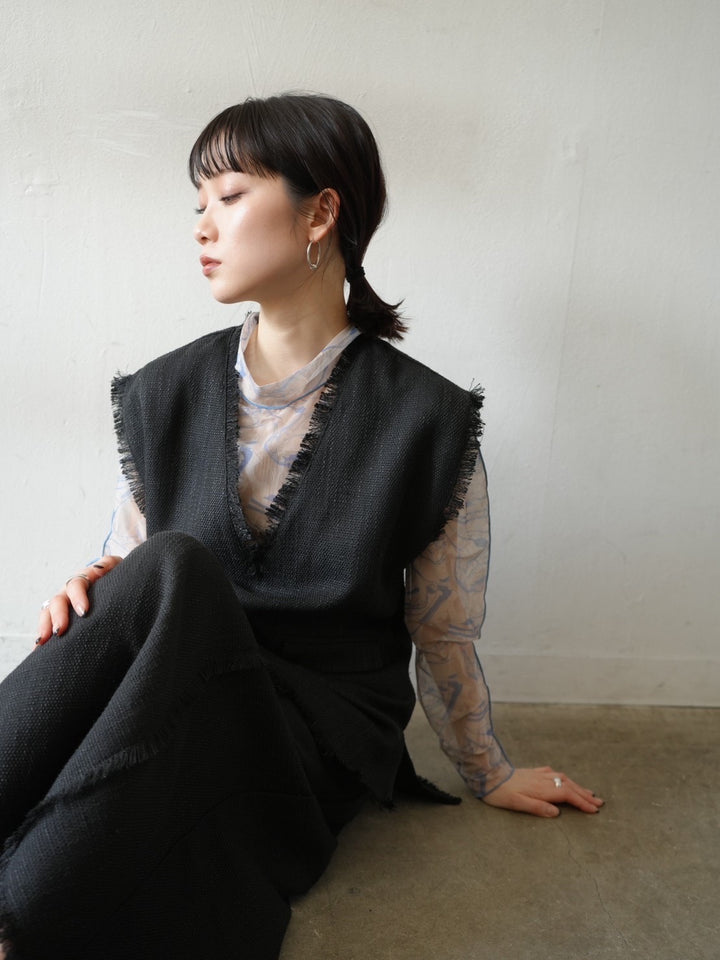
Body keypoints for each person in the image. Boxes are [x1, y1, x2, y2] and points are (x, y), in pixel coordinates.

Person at [0, 93, 602, 960]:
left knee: (170, 579)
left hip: (313, 732)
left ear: (320, 213)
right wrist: (93, 585)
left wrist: (489, 771)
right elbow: (132, 565)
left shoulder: (426, 421)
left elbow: (443, 630)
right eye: (198, 205)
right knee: (159, 576)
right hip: (181, 689)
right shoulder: (165, 391)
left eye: (230, 196)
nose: (203, 226)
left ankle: (22, 919)